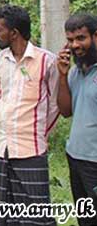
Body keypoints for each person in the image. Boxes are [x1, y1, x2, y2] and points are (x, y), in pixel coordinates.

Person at [0, 5, 59, 226]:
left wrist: (38, 133)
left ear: (14, 33)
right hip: (2, 150)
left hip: (31, 151)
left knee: (37, 213)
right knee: (7, 212)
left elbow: (55, 105)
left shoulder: (46, 61)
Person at [57, 14, 97, 226]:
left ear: (95, 36)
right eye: (71, 40)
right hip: (75, 158)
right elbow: (65, 111)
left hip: (95, 161)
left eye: (81, 38)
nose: (75, 45)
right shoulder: (74, 72)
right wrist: (62, 76)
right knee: (85, 220)